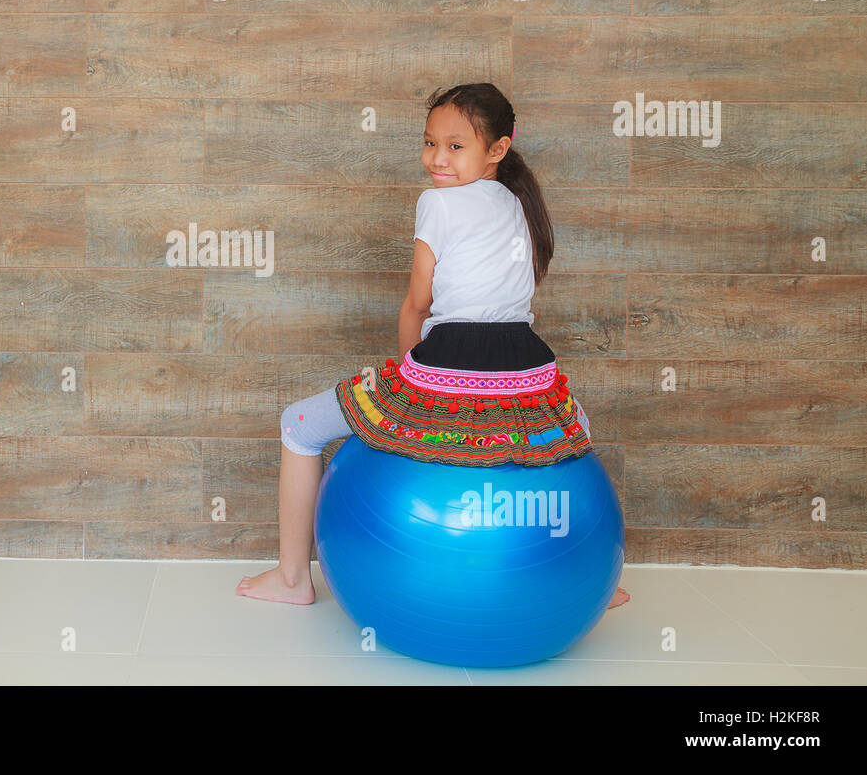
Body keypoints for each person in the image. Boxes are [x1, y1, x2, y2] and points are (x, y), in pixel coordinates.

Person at [237, 82, 630, 610]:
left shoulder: (437, 204)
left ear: (498, 149)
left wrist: (407, 390)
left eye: (455, 146)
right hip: (529, 372)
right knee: (577, 428)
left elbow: (417, 306)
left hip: (448, 366)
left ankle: (292, 579)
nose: (436, 159)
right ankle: (593, 582)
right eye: (429, 143)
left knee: (297, 425)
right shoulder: (523, 206)